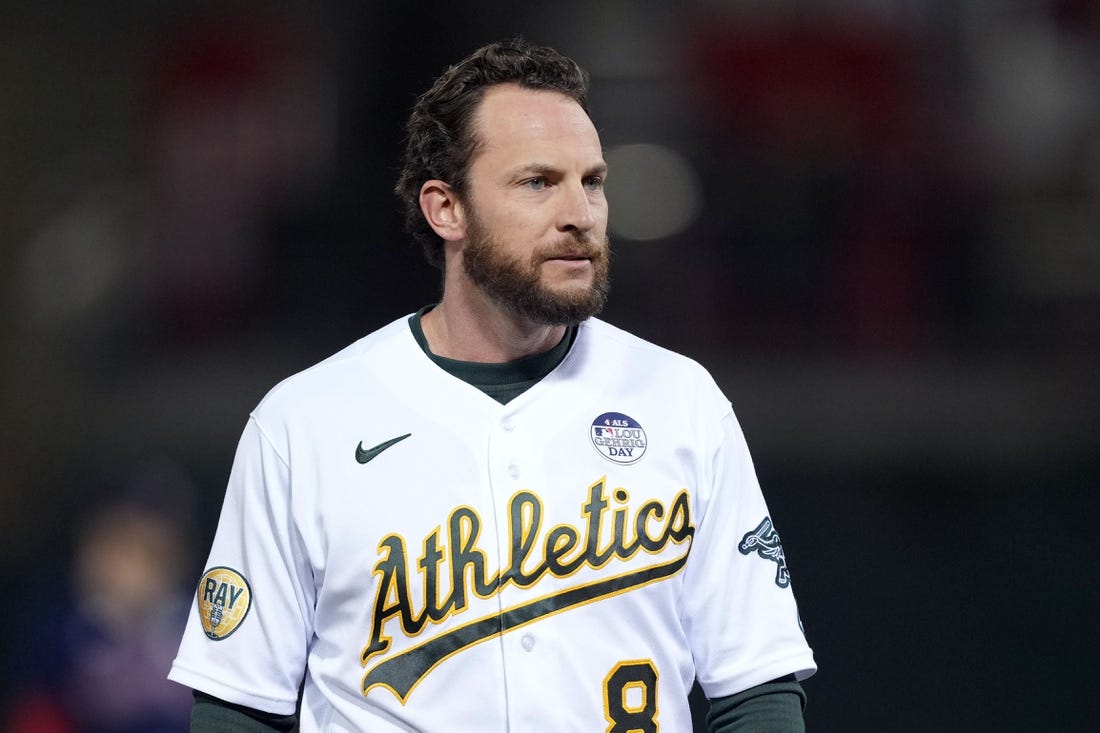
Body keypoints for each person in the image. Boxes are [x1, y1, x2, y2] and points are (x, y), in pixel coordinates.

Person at [168, 38, 817, 732]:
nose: (581, 213)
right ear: (447, 208)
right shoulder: (306, 422)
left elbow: (756, 687)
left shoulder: (681, 402)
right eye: (538, 182)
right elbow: (238, 703)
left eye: (592, 181)